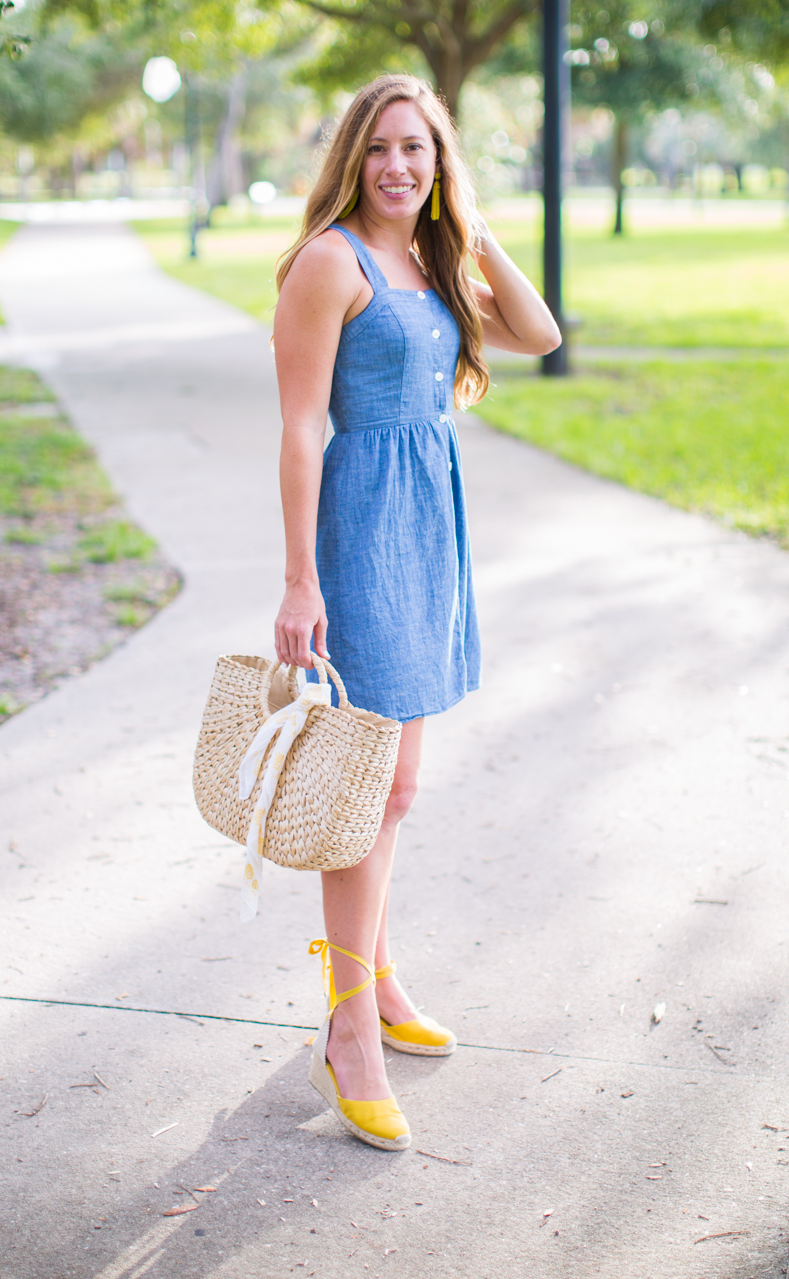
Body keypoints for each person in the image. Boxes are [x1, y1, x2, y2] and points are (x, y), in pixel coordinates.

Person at [272, 74, 561, 1151]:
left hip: (427, 532)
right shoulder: (327, 262)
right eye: (383, 148)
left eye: (419, 150)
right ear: (354, 156)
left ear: (439, 164)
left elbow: (536, 331)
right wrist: (300, 581)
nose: (399, 166)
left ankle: (380, 983)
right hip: (358, 532)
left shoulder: (432, 257)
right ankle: (348, 1033)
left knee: (395, 788)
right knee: (361, 799)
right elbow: (302, 428)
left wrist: (472, 230)